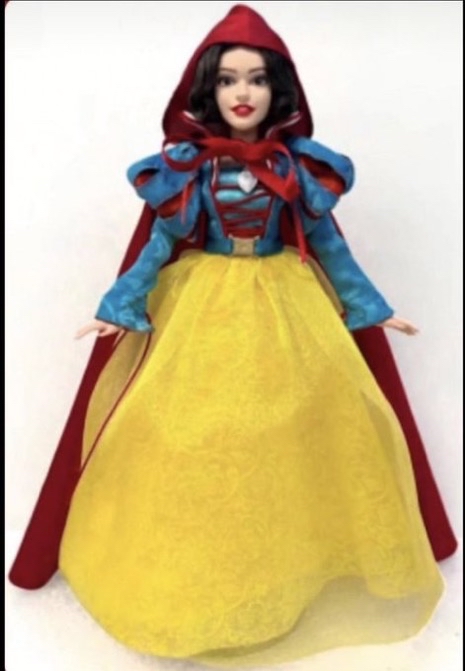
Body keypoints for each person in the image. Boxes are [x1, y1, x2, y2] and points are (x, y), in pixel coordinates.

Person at [9, 5, 457, 668]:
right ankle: (201, 567)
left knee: (291, 430)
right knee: (193, 433)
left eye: (256, 79)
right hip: (205, 304)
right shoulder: (189, 169)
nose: (242, 92)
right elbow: (158, 245)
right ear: (207, 92)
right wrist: (119, 303)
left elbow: (330, 247)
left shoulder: (297, 169)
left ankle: (283, 563)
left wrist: (370, 307)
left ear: (279, 90)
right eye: (227, 80)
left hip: (284, 301)